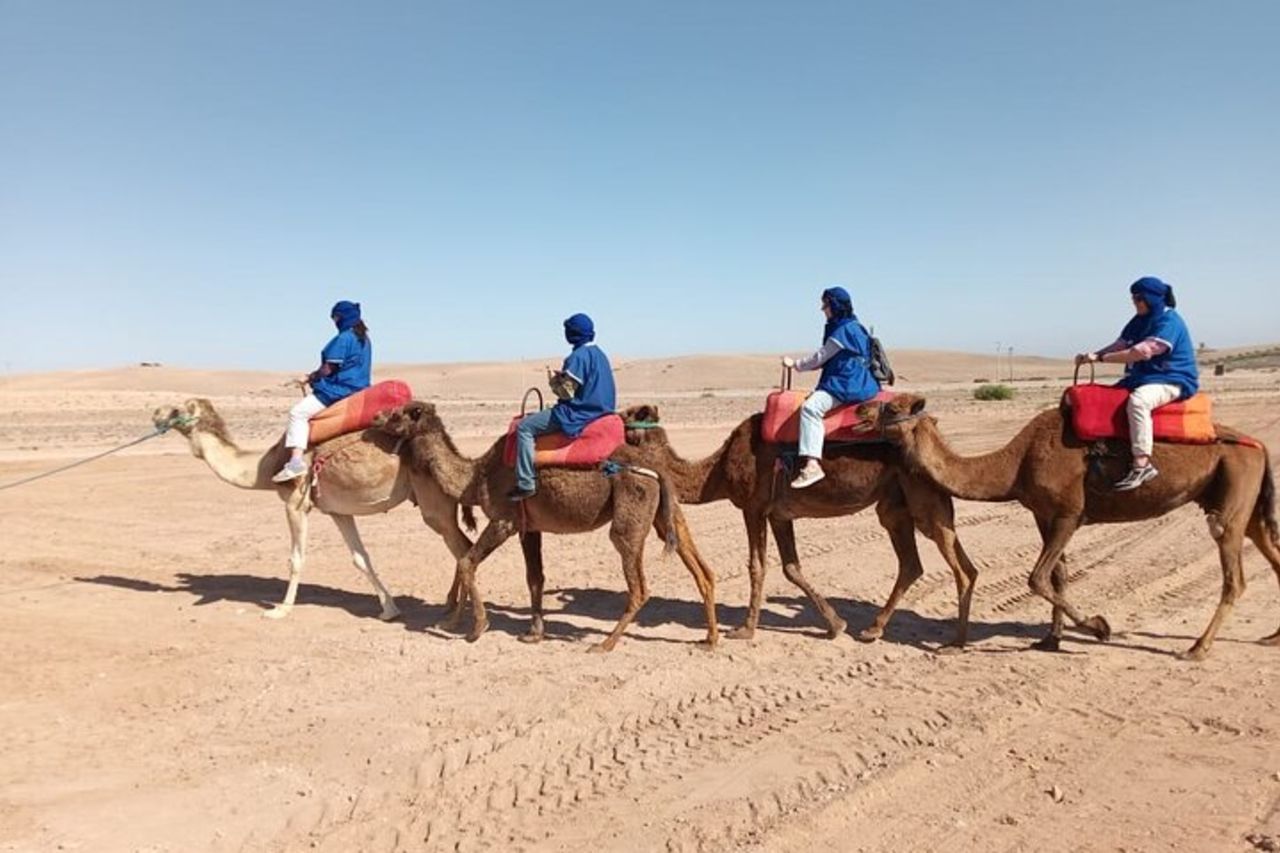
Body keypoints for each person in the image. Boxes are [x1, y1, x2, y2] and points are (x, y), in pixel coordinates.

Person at [1075, 276, 1199, 491]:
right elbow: (1121, 344)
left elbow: (1140, 352)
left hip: (1172, 380)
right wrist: (1092, 355)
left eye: (1139, 299)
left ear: (1152, 299)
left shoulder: (1170, 322)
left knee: (1139, 402)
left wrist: (1101, 359)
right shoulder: (1138, 321)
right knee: (1102, 397)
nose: (1135, 303)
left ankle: (1142, 463)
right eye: (1133, 298)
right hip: (1141, 378)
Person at [780, 286, 881, 489]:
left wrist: (795, 365)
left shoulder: (843, 331)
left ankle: (812, 464)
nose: (823, 309)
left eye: (826, 305)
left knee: (810, 409)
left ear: (835, 306)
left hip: (847, 383)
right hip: (862, 381)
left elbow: (819, 358)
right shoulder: (855, 326)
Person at [509, 313, 616, 501]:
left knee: (524, 428)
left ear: (573, 334)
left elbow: (566, 393)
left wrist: (553, 381)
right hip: (602, 410)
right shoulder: (600, 354)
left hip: (578, 413)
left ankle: (525, 483)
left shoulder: (578, 356)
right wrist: (564, 377)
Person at [272, 301, 372, 483]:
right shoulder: (363, 339)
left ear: (342, 317)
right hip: (360, 391)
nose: (334, 322)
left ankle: (295, 463)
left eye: (335, 318)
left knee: (298, 413)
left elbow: (329, 368)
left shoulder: (344, 338)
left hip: (338, 391)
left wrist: (309, 377)